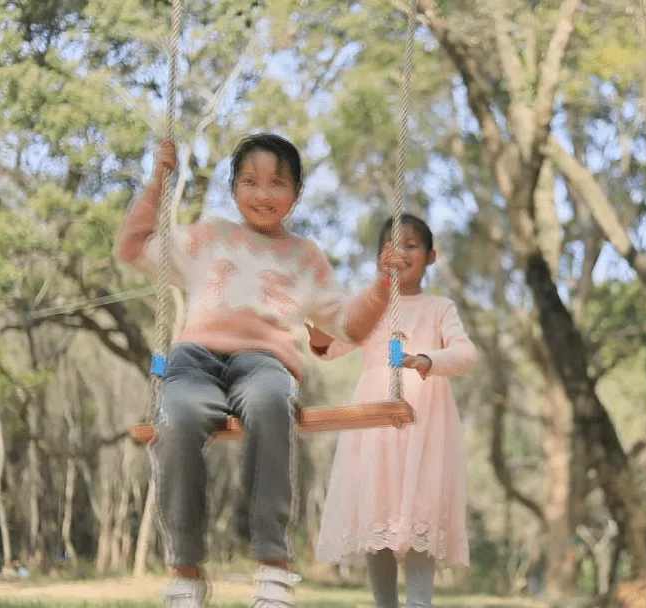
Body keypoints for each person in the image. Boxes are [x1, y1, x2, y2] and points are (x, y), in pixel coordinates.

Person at [115, 133, 405, 608]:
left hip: (264, 364)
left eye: (277, 182)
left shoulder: (305, 256)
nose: (263, 194)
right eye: (249, 181)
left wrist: (381, 282)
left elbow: (348, 325)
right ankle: (186, 572)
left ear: (297, 192)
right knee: (175, 419)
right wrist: (158, 181)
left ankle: (274, 568)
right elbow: (132, 247)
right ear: (233, 189)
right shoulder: (209, 236)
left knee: (271, 403)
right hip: (194, 362)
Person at [310, 213, 477, 608]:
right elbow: (329, 347)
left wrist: (428, 359)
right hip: (374, 423)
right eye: (393, 246)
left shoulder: (439, 307)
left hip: (425, 421)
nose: (402, 253)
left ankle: (419, 602)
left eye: (412, 245)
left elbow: (466, 353)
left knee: (420, 509)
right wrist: (315, 318)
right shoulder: (371, 306)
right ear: (379, 259)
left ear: (431, 256)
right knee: (377, 509)